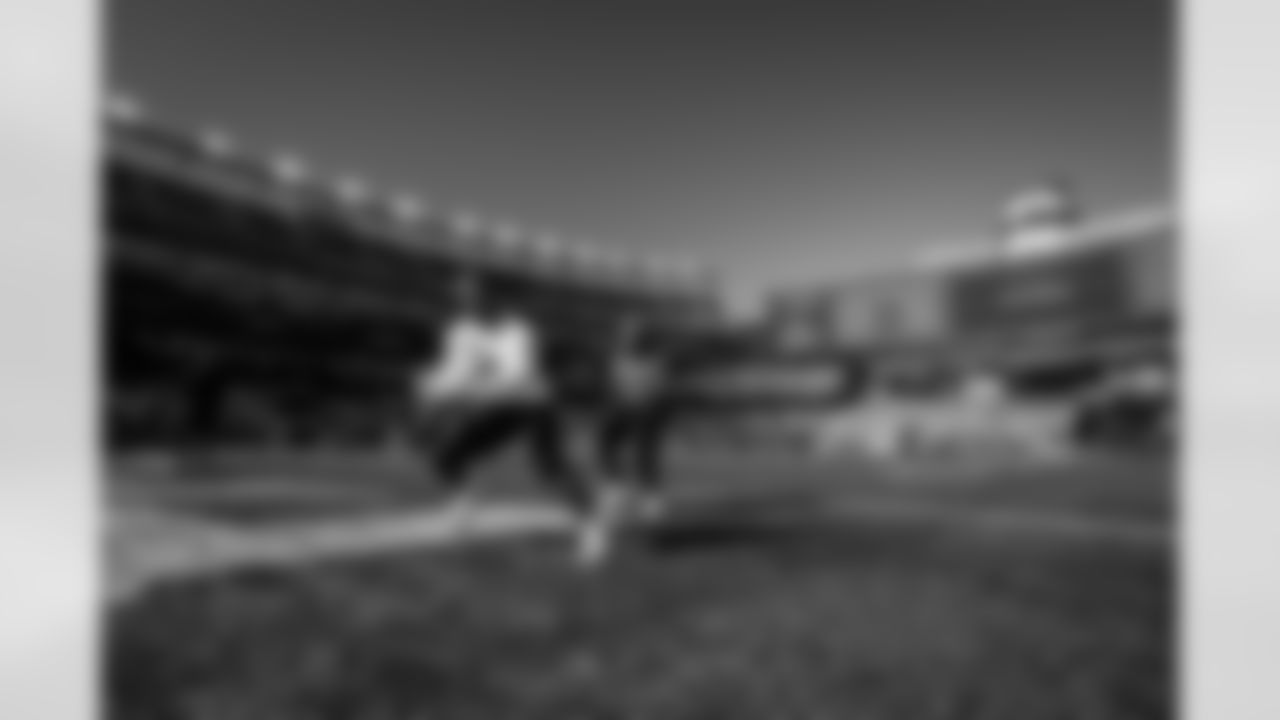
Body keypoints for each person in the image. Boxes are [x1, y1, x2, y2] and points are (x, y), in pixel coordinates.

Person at [411, 275, 613, 567]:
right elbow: (455, 370)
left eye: (473, 297)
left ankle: (593, 527)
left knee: (551, 469)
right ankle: (464, 505)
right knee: (446, 453)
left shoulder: (517, 331)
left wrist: (449, 391)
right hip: (496, 406)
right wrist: (430, 388)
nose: (467, 303)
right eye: (462, 298)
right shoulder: (460, 330)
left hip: (532, 404)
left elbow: (514, 380)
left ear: (491, 298)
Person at [594, 317, 678, 523]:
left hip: (649, 410)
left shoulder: (656, 360)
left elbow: (660, 391)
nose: (628, 340)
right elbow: (615, 389)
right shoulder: (618, 359)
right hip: (627, 408)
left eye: (632, 335)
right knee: (606, 438)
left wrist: (650, 405)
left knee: (644, 451)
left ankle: (652, 499)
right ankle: (615, 487)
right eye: (625, 336)